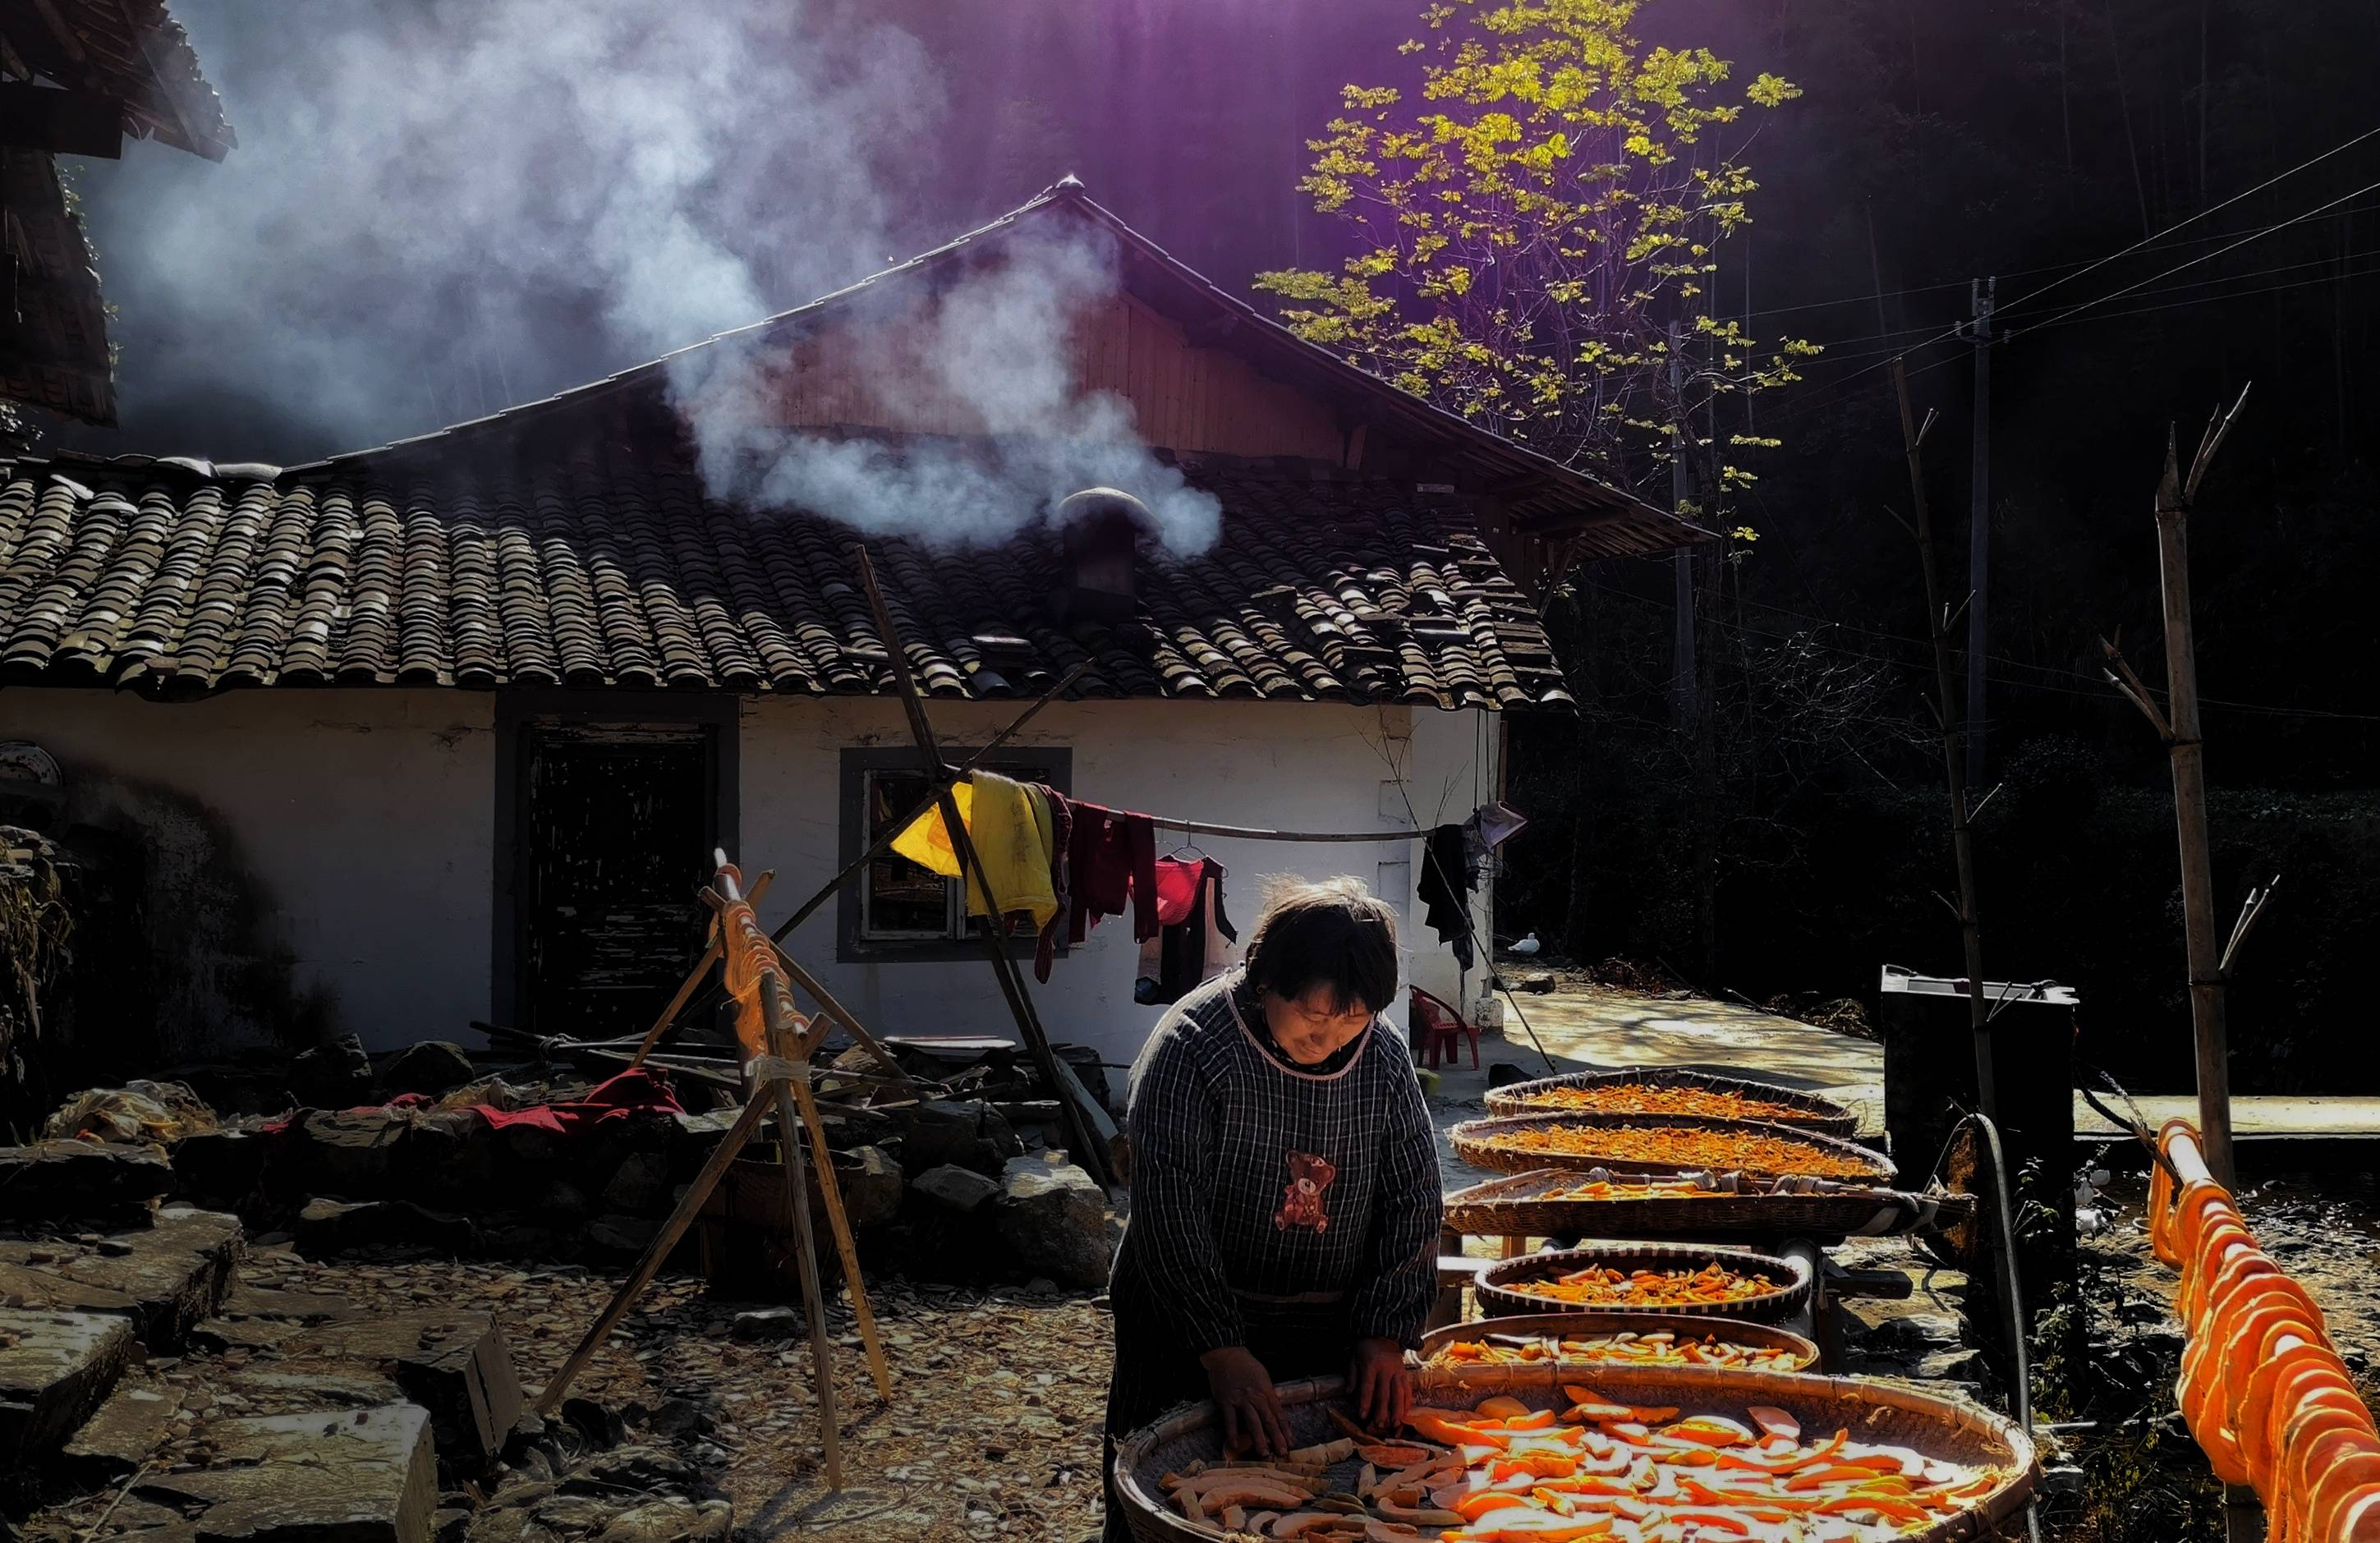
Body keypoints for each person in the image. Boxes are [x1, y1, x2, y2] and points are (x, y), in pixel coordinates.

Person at [1100, 878, 1441, 1541]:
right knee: (1175, 1502)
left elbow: (1414, 1197)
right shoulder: (1192, 1047)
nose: (1334, 1035)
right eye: (1316, 1016)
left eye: (1353, 1018)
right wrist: (1220, 1348)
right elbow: (1169, 1208)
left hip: (1326, 1330)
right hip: (1186, 1331)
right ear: (1268, 980)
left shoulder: (1384, 1057)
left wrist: (1386, 1327)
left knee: (1313, 1509)